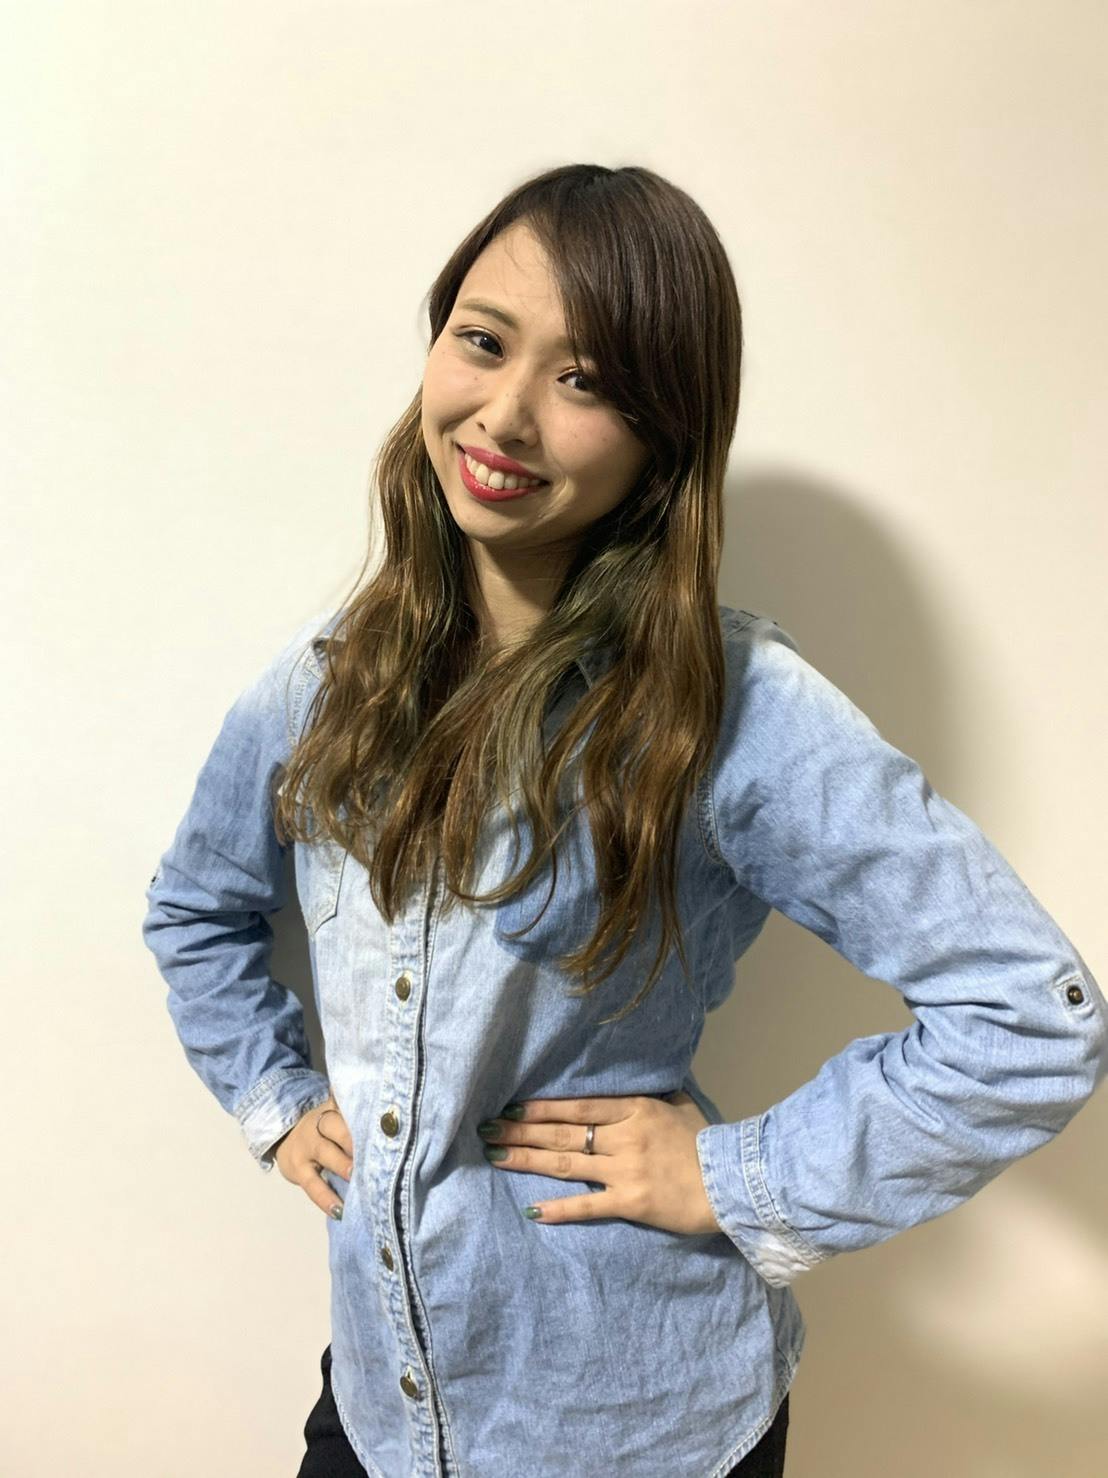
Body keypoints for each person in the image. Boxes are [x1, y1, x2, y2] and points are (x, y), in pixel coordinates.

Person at [141, 163, 1105, 1478]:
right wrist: (276, 1099)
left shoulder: (732, 705)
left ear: (663, 432)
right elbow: (194, 910)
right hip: (384, 1399)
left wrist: (738, 1175)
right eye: (484, 342)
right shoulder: (320, 683)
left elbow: (1032, 1017)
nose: (507, 414)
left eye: (586, 380)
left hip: (637, 1426)